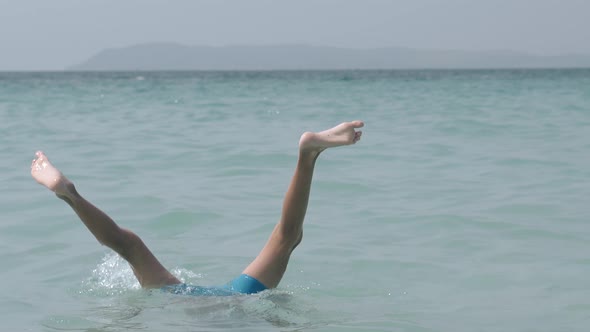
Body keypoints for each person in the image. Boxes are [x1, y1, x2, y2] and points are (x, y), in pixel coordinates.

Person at [31, 121, 364, 295]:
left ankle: (69, 194)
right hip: (238, 297)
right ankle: (308, 154)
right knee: (288, 236)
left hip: (184, 299)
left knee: (127, 245)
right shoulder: (241, 300)